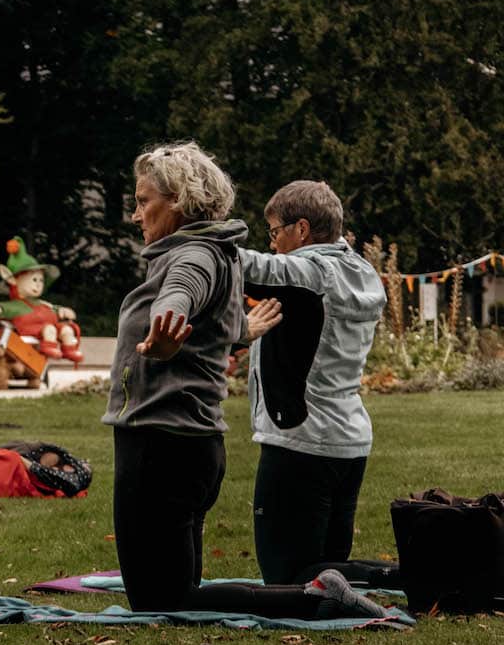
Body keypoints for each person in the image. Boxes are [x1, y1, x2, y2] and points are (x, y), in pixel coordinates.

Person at [103, 143, 387, 619]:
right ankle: (373, 582)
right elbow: (219, 292)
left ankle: (321, 596)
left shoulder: (216, 258)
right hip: (329, 437)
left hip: (257, 439)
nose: (136, 215)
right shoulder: (363, 274)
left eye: (144, 200)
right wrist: (239, 329)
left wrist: (169, 320)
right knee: (200, 582)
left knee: (179, 597)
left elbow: (190, 287)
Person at [240, 181, 387, 583]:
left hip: (300, 443)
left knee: (286, 577)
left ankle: (409, 576)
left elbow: (241, 265)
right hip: (349, 442)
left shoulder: (309, 273)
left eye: (274, 232)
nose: (272, 244)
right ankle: (411, 575)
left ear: (301, 229)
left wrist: (194, 231)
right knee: (326, 577)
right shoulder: (363, 272)